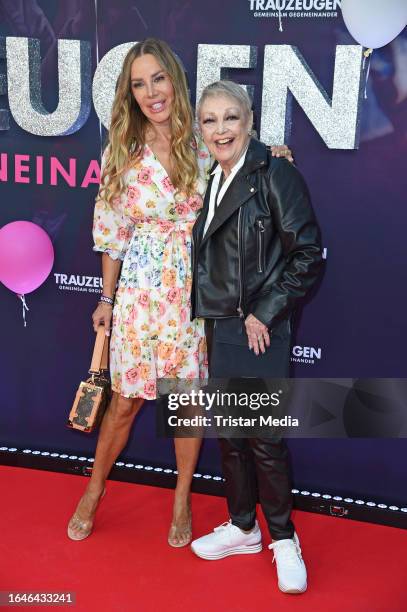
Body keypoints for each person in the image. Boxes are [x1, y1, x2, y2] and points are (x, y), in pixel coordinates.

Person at [67, 39, 292, 547]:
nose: (152, 93)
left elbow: (240, 165)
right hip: (140, 297)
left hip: (194, 295)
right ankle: (93, 492)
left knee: (186, 404)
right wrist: (105, 298)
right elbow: (113, 232)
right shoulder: (121, 148)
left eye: (159, 79)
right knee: (123, 404)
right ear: (130, 92)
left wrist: (271, 155)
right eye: (140, 84)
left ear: (175, 80)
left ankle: (182, 499)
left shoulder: (201, 139)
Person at [190, 80, 322, 594]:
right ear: (201, 129)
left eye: (230, 118)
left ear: (248, 121)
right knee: (231, 436)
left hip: (258, 328)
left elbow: (307, 252)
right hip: (221, 324)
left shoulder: (275, 173)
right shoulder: (215, 175)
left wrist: (264, 313)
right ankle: (244, 527)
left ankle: (284, 539)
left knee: (265, 439)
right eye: (210, 120)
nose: (221, 129)